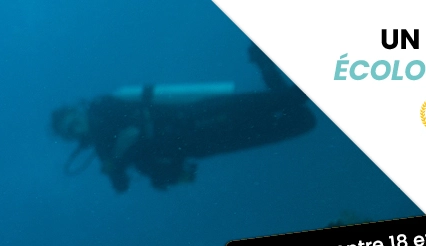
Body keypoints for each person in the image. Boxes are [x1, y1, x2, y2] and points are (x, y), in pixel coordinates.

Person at [51, 44, 316, 193]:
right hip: (204, 146)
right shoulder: (104, 152)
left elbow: (133, 129)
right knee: (301, 121)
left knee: (291, 100)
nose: (76, 130)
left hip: (197, 116)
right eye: (70, 133)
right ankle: (266, 65)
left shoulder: (102, 107)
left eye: (73, 122)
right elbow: (120, 185)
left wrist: (119, 154)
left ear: (78, 111)